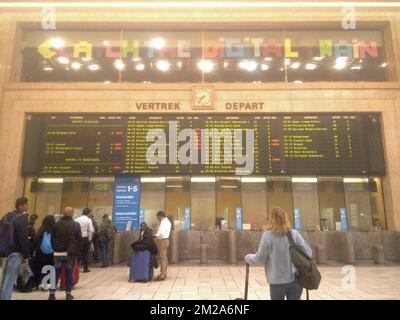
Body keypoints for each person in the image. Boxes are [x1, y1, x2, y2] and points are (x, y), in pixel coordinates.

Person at [245, 207, 312, 300]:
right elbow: (308, 252)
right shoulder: (294, 234)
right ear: (286, 218)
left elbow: (260, 259)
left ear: (271, 220)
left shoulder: (267, 236)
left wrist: (248, 257)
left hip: (276, 281)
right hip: (295, 279)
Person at [0, 197, 30, 300]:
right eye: (26, 204)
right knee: (10, 278)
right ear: (20, 206)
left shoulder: (6, 216)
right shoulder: (22, 218)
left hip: (4, 251)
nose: (27, 206)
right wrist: (26, 255)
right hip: (15, 252)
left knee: (4, 276)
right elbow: (23, 237)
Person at [49, 207, 82, 300]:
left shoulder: (56, 224)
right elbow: (79, 239)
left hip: (58, 253)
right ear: (71, 213)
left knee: (55, 273)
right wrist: (76, 250)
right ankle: (68, 294)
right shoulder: (76, 225)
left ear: (63, 213)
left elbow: (52, 238)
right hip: (70, 253)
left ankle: (52, 294)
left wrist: (55, 248)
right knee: (69, 272)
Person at [32, 215, 56, 289]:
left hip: (40, 252)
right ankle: (48, 284)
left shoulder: (41, 229)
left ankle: (37, 283)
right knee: (50, 268)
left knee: (39, 267)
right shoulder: (54, 230)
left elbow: (35, 241)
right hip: (51, 253)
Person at [153, 211, 171, 281]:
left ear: (160, 216)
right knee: (164, 258)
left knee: (162, 258)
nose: (157, 219)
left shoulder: (164, 222)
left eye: (157, 217)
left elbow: (162, 233)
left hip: (163, 241)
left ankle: (162, 275)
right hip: (165, 240)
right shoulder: (167, 221)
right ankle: (163, 273)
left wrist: (155, 235)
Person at [75, 208, 94, 273]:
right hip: (85, 238)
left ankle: (76, 267)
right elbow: (91, 230)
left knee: (78, 253)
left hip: (78, 239)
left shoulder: (76, 219)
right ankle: (85, 268)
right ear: (88, 213)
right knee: (85, 254)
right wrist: (89, 238)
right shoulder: (88, 220)